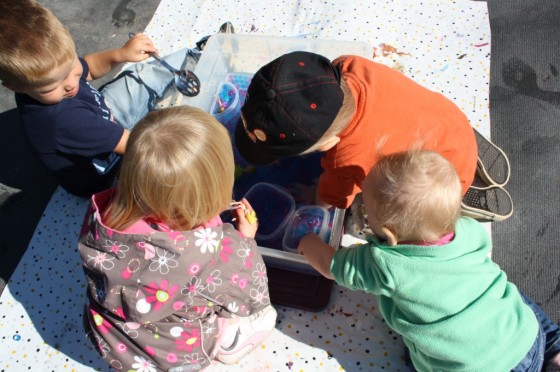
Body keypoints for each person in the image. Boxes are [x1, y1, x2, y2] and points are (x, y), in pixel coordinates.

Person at [298, 149, 560, 371]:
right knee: (506, 291)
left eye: (365, 209)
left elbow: (329, 266)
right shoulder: (468, 229)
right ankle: (556, 349)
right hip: (526, 336)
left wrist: (308, 243)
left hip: (473, 366)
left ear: (389, 235)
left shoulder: (384, 263)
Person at [77, 106, 277, 371]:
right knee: (265, 316)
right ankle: (226, 349)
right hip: (176, 355)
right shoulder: (221, 253)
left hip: (112, 341)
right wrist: (245, 240)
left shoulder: (106, 214)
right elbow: (251, 297)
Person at [234, 51, 514, 221]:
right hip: (452, 125)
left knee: (393, 205)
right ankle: (472, 155)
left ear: (330, 144)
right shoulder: (350, 65)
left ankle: (463, 192)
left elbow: (330, 199)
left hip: (448, 180)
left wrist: (312, 195)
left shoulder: (345, 159)